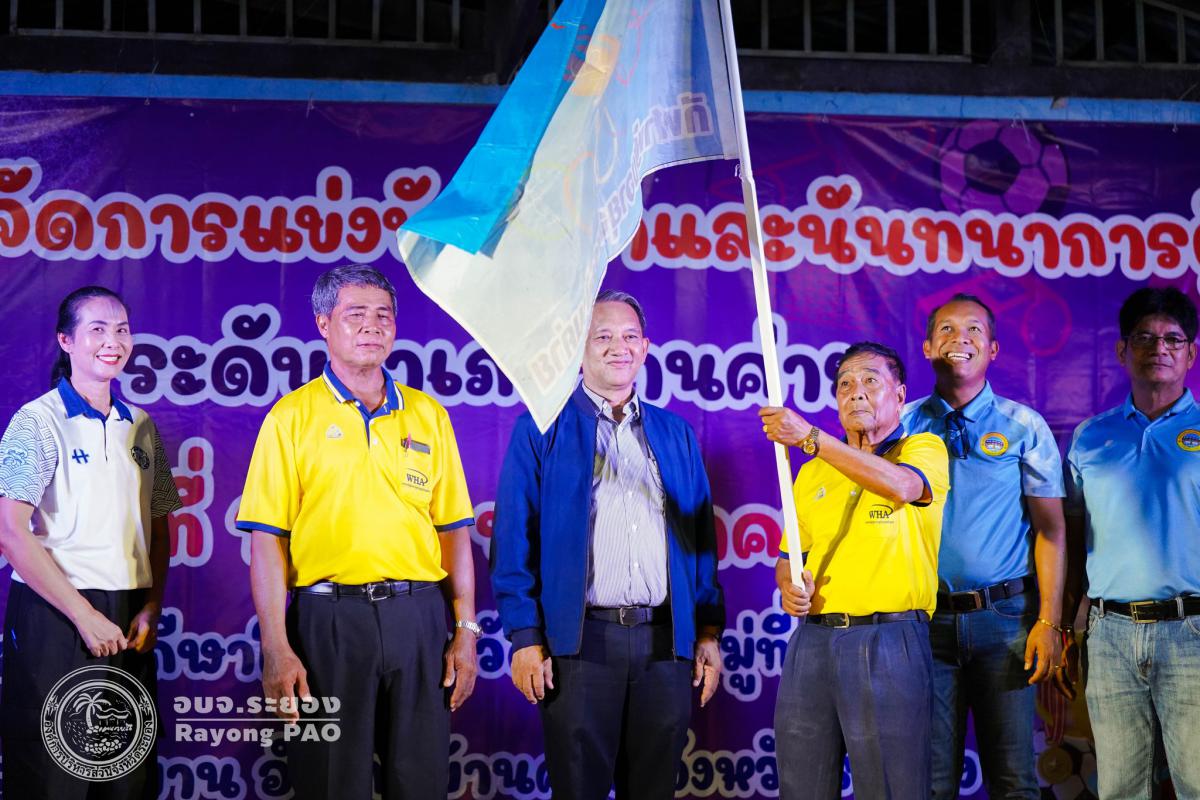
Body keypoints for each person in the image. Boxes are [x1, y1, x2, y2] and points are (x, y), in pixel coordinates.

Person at [236, 265, 479, 800]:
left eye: (383, 315)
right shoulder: (290, 419)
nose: (372, 326)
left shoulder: (428, 415)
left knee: (420, 782)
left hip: (418, 618)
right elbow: (267, 541)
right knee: (330, 782)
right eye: (356, 315)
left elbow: (454, 533)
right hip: (327, 623)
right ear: (323, 324)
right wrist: (275, 646)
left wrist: (465, 631)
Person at [490, 289, 724, 800]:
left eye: (630, 336)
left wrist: (707, 632)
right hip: (579, 647)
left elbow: (700, 543)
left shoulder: (675, 434)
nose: (619, 347)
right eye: (602, 337)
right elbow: (512, 542)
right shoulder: (541, 427)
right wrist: (526, 637)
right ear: (577, 348)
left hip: (665, 647)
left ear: (646, 348)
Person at [0, 286, 181, 799]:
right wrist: (83, 615)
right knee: (51, 777)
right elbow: (9, 531)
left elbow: (159, 524)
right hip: (56, 617)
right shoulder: (37, 421)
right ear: (66, 341)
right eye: (97, 330)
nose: (112, 342)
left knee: (126, 778)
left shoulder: (140, 425)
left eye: (122, 330)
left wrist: (151, 605)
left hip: (128, 621)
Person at [760, 341, 949, 800]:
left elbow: (903, 487)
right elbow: (788, 559)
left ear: (900, 395)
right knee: (801, 787)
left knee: (891, 789)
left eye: (870, 381)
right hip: (813, 641)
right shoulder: (812, 473)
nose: (855, 392)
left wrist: (811, 438)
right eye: (844, 384)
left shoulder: (922, 448)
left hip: (888, 639)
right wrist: (789, 587)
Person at [901, 293, 1067, 800]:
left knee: (1014, 779)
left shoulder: (1024, 426)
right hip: (925, 622)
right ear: (927, 347)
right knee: (931, 783)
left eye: (974, 329)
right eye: (947, 330)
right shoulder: (901, 424)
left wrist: (1049, 622)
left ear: (993, 349)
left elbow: (1052, 531)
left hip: (1006, 622)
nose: (961, 339)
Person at [1064, 286, 1200, 799]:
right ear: (1122, 351)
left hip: (1192, 630)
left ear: (1191, 353)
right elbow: (1069, 536)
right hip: (1110, 635)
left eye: (1172, 339)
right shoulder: (1090, 437)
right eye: (1144, 337)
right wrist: (1068, 622)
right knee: (1119, 788)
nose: (1158, 348)